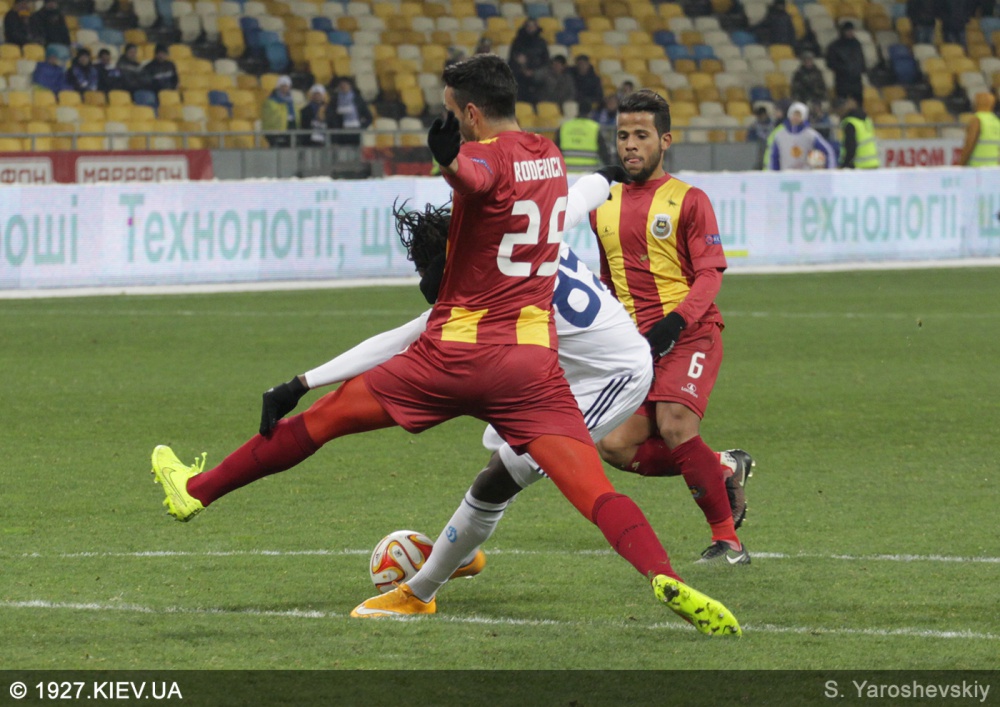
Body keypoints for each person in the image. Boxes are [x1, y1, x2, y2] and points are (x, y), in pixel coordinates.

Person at [150, 55, 741, 637]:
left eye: (453, 112)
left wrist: (448, 161)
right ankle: (663, 575)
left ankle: (196, 491)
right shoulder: (548, 157)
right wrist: (604, 176)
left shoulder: (479, 167)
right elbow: (578, 191)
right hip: (530, 368)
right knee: (592, 489)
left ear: (472, 113)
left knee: (325, 420)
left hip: (458, 357)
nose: (452, 120)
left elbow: (475, 179)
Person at [268, 175, 754, 617]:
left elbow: (404, 336)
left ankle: (423, 589)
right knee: (554, 459)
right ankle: (449, 564)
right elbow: (584, 191)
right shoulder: (533, 237)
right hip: (579, 373)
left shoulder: (487, 285)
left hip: (611, 376)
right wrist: (606, 176)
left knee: (512, 477)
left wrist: (303, 382)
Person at [587, 89, 751, 565]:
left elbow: (710, 274)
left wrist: (675, 322)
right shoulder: (602, 205)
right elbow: (608, 278)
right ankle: (721, 466)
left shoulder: (690, 200)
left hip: (690, 333)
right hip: (636, 345)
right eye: (623, 135)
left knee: (675, 424)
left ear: (665, 141)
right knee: (615, 445)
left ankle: (729, 543)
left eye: (641, 135)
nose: (630, 145)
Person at [766, 101, 836, 169]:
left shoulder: (810, 135)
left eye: (799, 115)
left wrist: (830, 170)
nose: (795, 117)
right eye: (794, 114)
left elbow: (828, 151)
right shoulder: (780, 135)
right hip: (786, 174)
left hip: (805, 174)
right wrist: (773, 174)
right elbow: (774, 158)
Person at [825, 21, 865, 104]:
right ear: (843, 31)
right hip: (842, 82)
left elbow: (861, 60)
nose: (850, 32)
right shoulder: (835, 46)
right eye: (848, 30)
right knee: (842, 105)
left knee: (858, 105)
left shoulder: (857, 44)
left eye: (851, 30)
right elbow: (830, 63)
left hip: (856, 81)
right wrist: (843, 69)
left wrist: (860, 69)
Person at [833, 96, 878, 169]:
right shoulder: (865, 119)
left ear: (841, 109)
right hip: (873, 163)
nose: (837, 115)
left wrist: (844, 165)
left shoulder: (850, 123)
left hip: (859, 166)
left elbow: (851, 147)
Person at [328, 76, 373, 147]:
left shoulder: (358, 99)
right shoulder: (335, 100)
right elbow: (331, 117)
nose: (344, 86)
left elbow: (369, 117)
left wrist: (362, 127)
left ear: (350, 86)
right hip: (341, 133)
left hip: (356, 131)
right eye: (341, 85)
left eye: (345, 84)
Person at [959, 92, 1000, 167]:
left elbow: (969, 145)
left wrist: (961, 165)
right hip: (993, 168)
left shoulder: (977, 120)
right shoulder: (996, 121)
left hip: (977, 168)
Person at [261, 75, 297, 147]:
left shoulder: (291, 101)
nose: (285, 88)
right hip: (275, 131)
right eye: (282, 86)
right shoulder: (270, 100)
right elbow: (271, 116)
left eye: (286, 86)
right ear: (278, 86)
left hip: (290, 127)